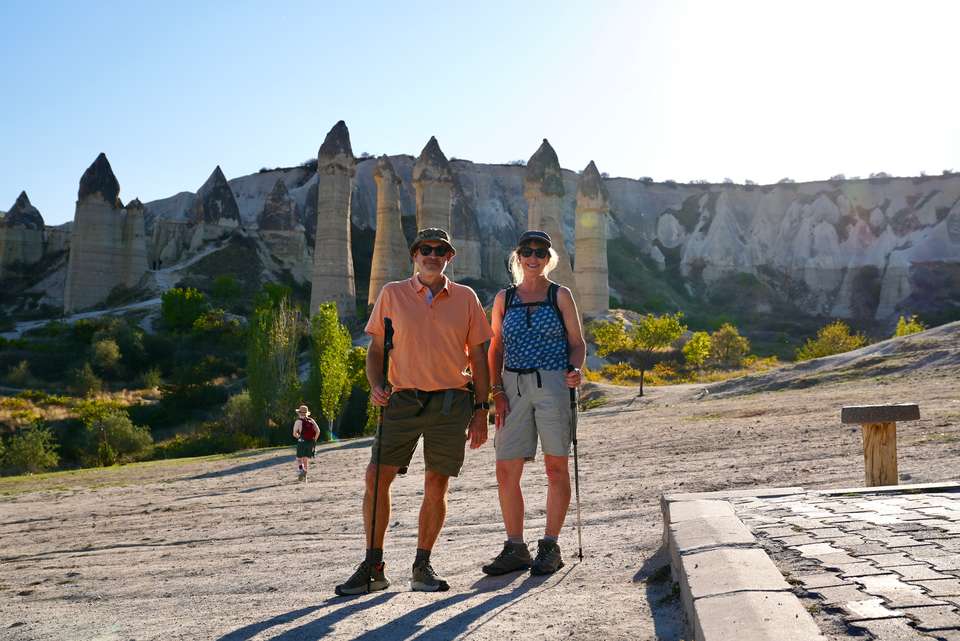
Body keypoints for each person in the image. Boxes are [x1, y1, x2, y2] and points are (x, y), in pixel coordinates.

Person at [334, 228, 493, 596]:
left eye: (440, 250)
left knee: (436, 483)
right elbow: (376, 350)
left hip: (452, 401)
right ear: (414, 254)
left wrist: (482, 409)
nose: (432, 255)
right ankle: (373, 566)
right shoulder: (391, 294)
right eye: (426, 249)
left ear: (449, 257)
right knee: (376, 477)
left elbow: (480, 358)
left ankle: (422, 567)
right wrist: (376, 382)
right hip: (402, 399)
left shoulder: (467, 298)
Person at [482, 230, 586, 576]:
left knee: (555, 467)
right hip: (512, 386)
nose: (533, 257)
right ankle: (516, 547)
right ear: (517, 256)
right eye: (527, 251)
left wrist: (575, 369)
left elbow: (577, 343)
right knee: (505, 468)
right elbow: (495, 347)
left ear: (548, 258)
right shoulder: (504, 298)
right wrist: (496, 390)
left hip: (554, 382)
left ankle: (550, 546)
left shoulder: (560, 295)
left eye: (540, 252)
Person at [292, 404, 320, 482]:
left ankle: (302, 470)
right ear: (307, 413)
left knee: (298, 459)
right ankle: (305, 479)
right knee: (305, 460)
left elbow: (294, 434)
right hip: (311, 442)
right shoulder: (311, 420)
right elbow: (318, 431)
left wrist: (300, 437)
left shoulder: (298, 421)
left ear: (299, 413)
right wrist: (314, 440)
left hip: (302, 442)